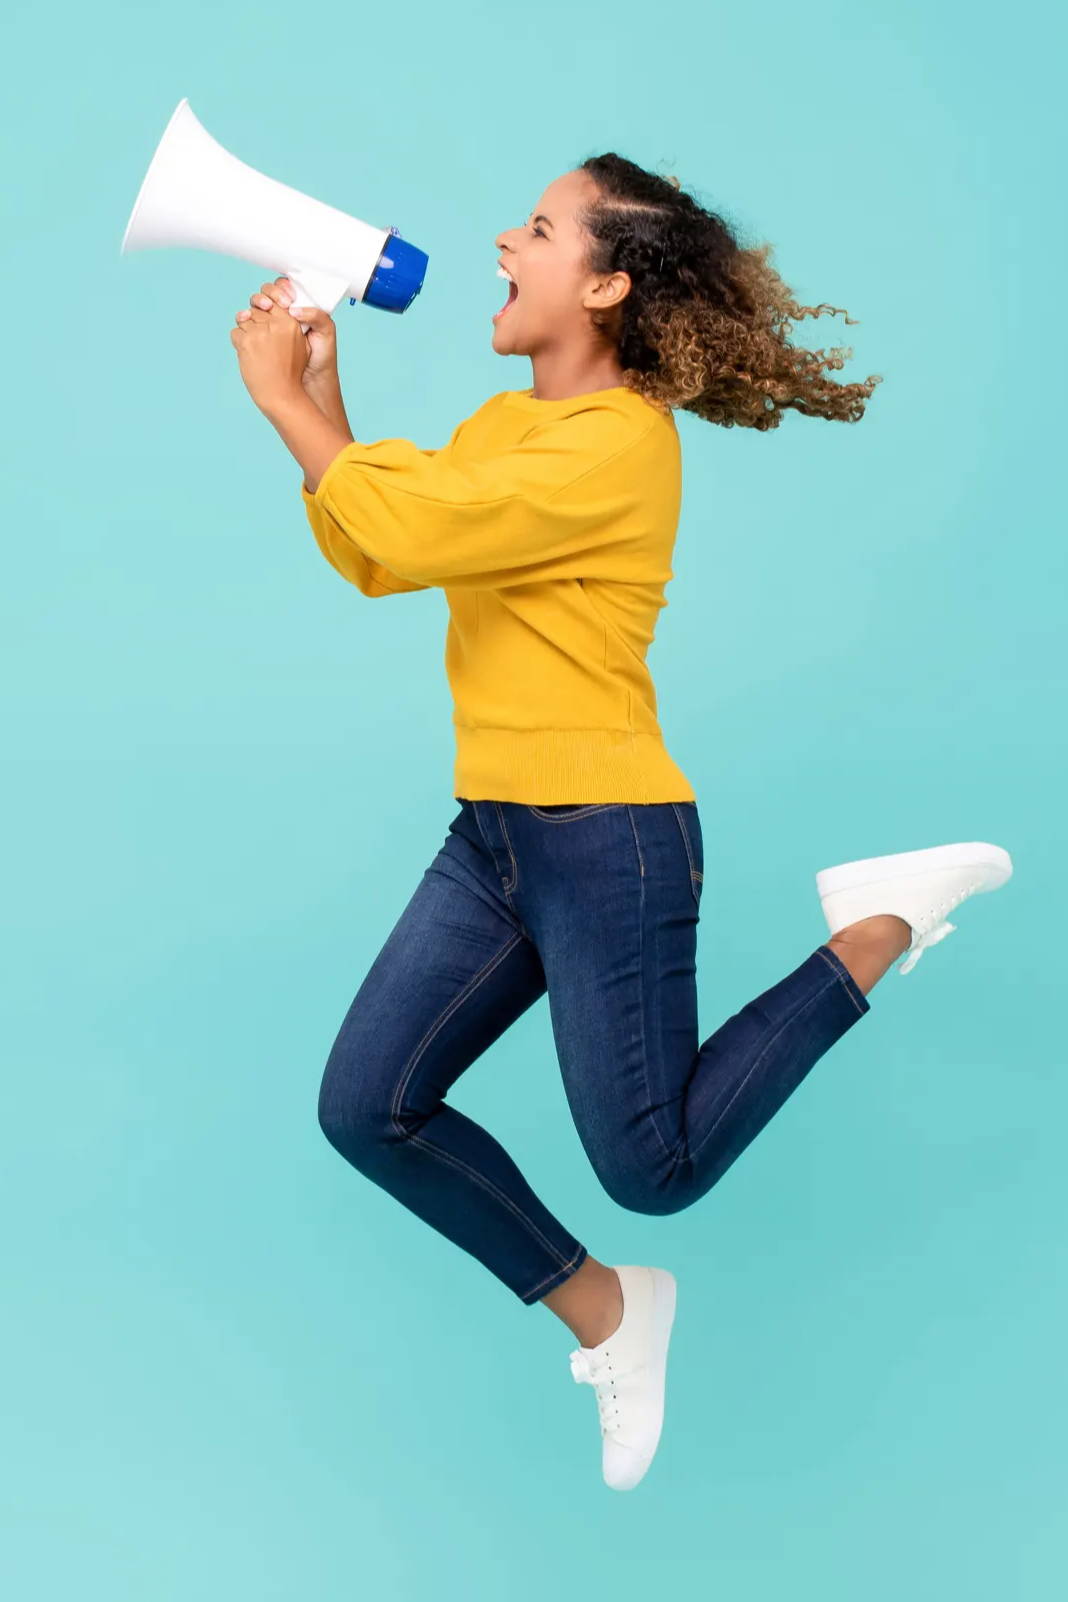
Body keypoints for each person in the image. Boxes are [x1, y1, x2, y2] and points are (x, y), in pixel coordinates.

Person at [230, 157, 1013, 1491]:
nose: (500, 240)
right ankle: (605, 1307)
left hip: (606, 838)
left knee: (656, 1168)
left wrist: (277, 404)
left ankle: (874, 929)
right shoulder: (496, 430)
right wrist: (314, 404)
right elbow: (380, 549)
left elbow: (408, 528)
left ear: (604, 282)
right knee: (368, 1105)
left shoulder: (621, 446)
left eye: (534, 229)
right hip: (498, 836)